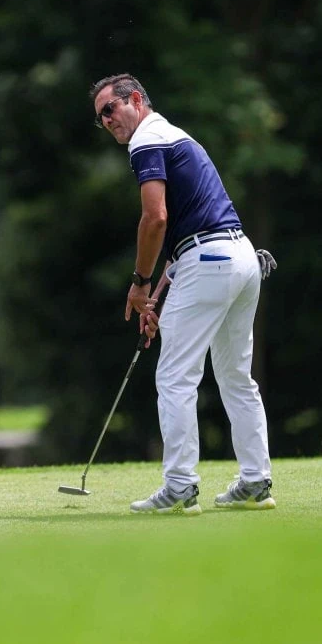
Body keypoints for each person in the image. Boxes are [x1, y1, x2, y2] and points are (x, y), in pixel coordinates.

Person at [90, 73, 277, 516]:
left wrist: (137, 283)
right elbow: (185, 232)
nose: (106, 121)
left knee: (175, 377)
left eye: (110, 110)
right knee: (235, 377)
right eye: (100, 119)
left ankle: (179, 487)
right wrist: (155, 294)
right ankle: (255, 481)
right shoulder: (178, 136)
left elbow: (155, 219)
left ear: (135, 99)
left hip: (210, 262)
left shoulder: (146, 141)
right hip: (240, 258)